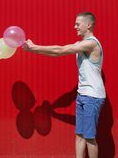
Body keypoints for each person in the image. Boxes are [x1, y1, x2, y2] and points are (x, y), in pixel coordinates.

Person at [23, 12, 106, 158]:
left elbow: (60, 50)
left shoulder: (92, 43)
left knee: (89, 137)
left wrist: (34, 47)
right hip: (82, 95)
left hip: (93, 96)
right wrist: (34, 51)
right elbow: (57, 53)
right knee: (79, 135)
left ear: (88, 25)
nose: (75, 27)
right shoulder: (79, 45)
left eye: (77, 24)